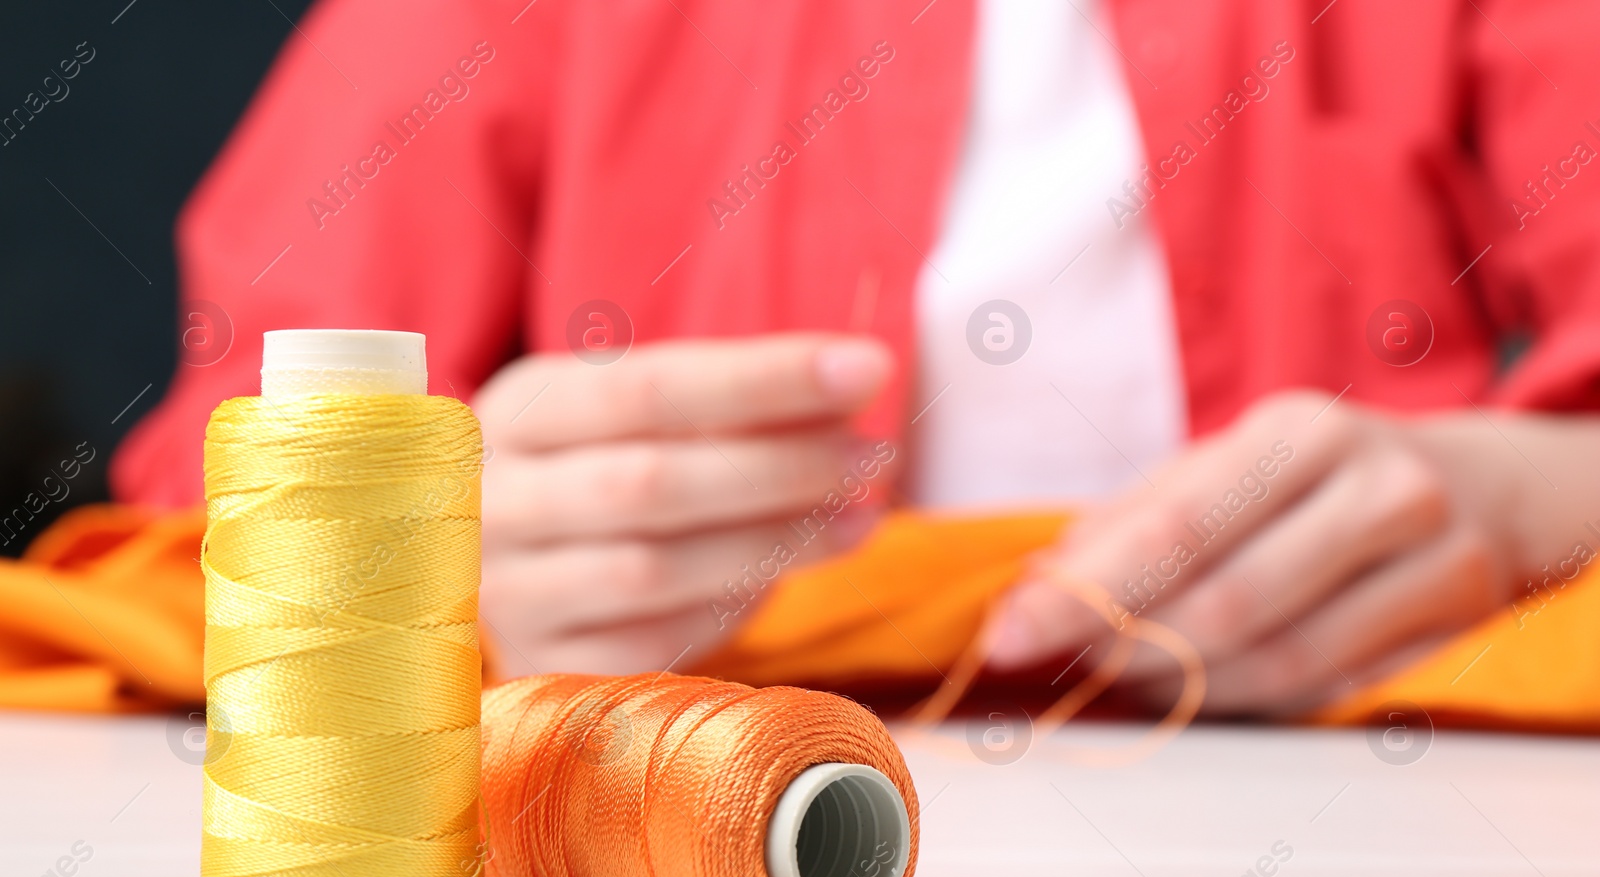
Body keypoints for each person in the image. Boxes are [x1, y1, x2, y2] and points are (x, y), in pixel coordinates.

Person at [112, 0, 1600, 713]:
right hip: (663, 794)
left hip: (1349, 833)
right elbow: (228, 454)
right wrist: (425, 562)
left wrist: (1536, 499)